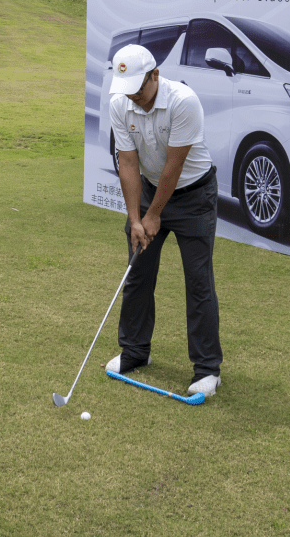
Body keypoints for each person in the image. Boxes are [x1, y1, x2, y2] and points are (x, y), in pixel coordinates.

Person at [102, 44, 223, 398]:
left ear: (155, 75)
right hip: (149, 190)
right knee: (137, 274)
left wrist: (155, 214)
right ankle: (135, 351)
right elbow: (127, 162)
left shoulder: (184, 101)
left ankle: (207, 370)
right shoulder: (120, 104)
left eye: (139, 88)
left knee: (198, 281)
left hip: (194, 196)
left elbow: (175, 164)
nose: (134, 98)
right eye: (127, 91)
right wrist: (135, 218)